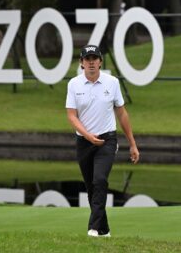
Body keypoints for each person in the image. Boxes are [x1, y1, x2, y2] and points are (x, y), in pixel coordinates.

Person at [65, 44, 139, 237]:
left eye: (94, 59)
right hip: (84, 141)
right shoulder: (74, 84)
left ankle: (94, 228)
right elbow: (72, 116)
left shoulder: (112, 82)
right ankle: (104, 230)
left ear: (100, 62)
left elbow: (122, 114)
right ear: (81, 63)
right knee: (91, 186)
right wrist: (88, 136)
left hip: (107, 140)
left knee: (100, 180)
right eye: (87, 59)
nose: (91, 62)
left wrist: (132, 143)